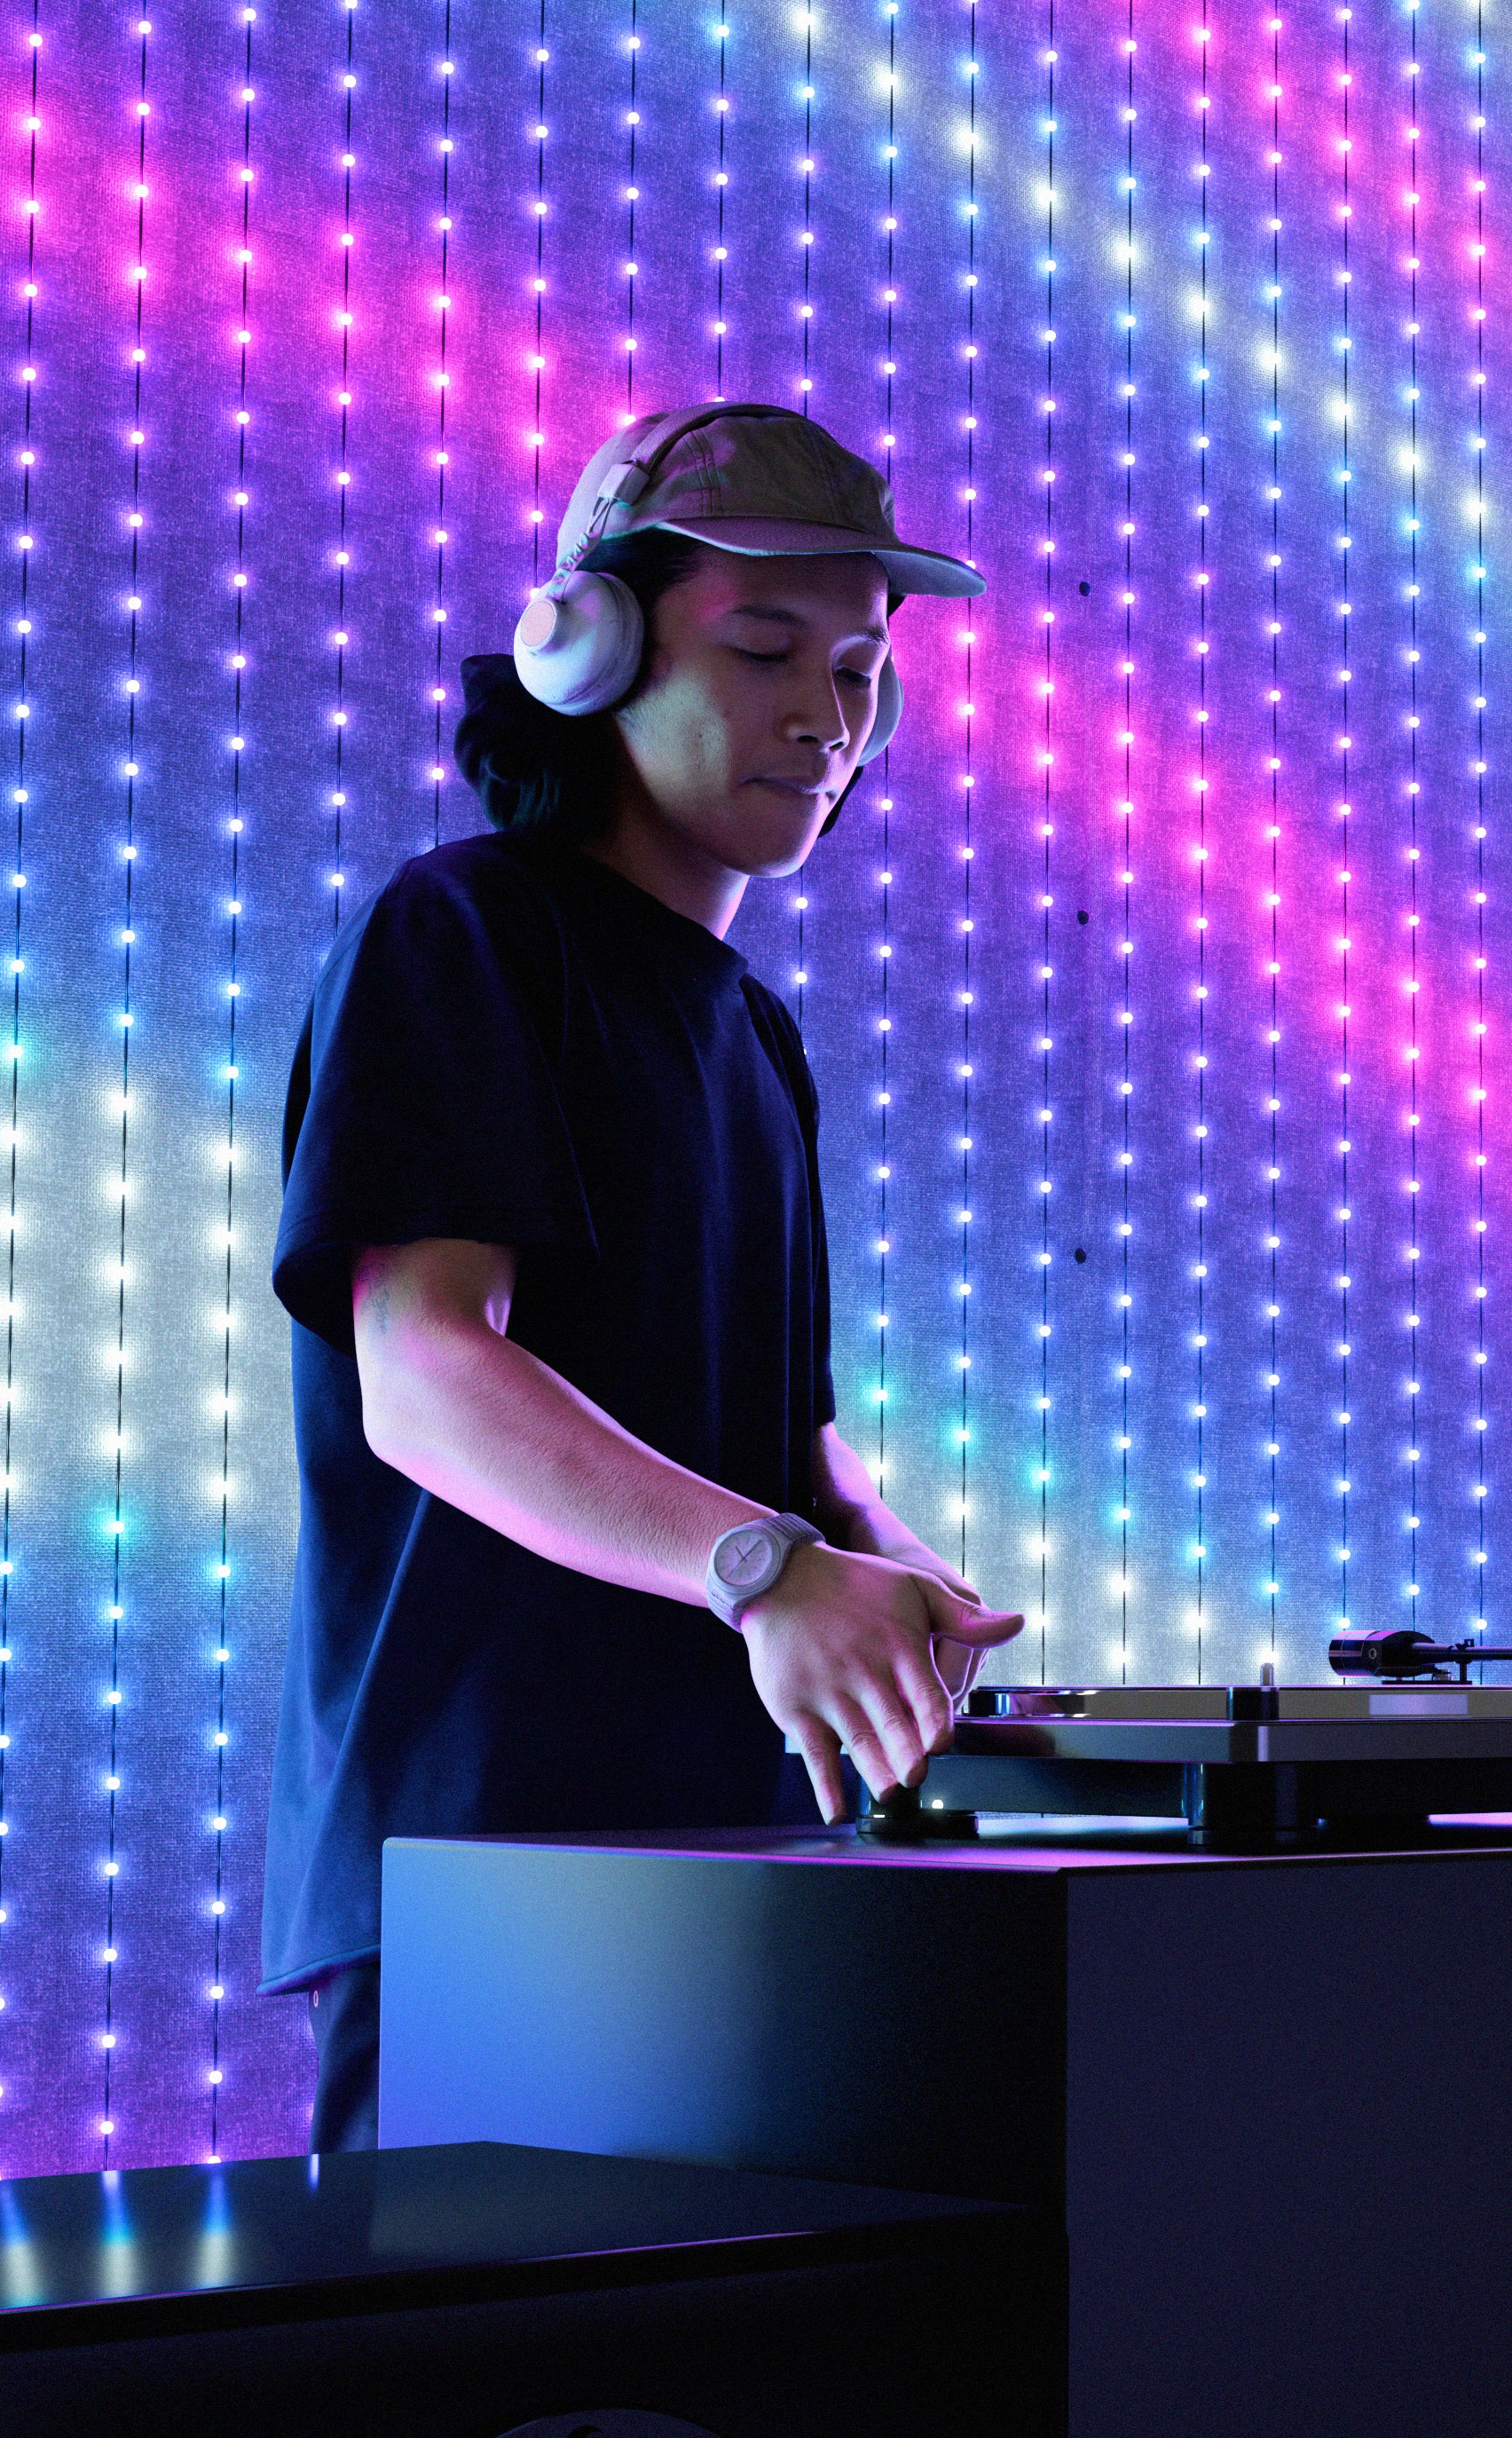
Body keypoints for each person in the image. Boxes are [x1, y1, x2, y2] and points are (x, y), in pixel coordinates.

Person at [263, 404, 1022, 2152]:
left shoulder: (757, 1032)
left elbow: (790, 1439)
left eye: (858, 670)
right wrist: (769, 1575)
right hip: (486, 1874)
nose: (826, 715)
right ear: (590, 651)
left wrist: (892, 1573)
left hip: (728, 1865)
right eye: (764, 649)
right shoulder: (460, 930)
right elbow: (424, 1372)